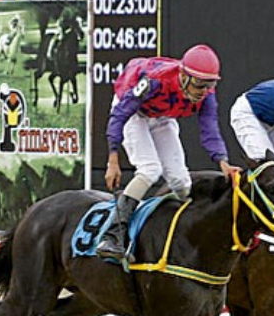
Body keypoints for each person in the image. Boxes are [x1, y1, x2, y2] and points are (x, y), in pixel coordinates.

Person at [98, 44, 238, 260]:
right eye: (200, 85)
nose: (203, 92)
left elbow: (209, 129)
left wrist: (223, 162)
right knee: (150, 169)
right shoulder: (154, 81)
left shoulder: (207, 95)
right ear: (183, 76)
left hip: (161, 115)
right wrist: (113, 158)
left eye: (209, 85)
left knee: (181, 182)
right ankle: (112, 235)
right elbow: (120, 114)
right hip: (133, 112)